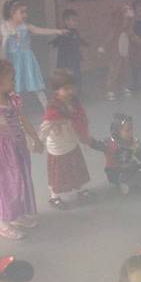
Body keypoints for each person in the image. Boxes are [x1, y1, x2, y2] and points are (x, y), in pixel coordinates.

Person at [0, 60, 43, 241]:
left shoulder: (12, 99)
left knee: (19, 181)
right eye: (11, 78)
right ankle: (4, 224)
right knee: (4, 186)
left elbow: (23, 120)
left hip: (17, 147)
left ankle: (17, 215)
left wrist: (35, 138)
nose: (14, 81)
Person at [39, 69, 93, 210]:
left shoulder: (74, 102)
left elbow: (80, 117)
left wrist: (84, 135)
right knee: (58, 172)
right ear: (56, 90)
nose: (70, 91)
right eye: (66, 89)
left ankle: (80, 188)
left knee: (75, 166)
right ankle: (54, 196)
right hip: (58, 145)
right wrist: (38, 141)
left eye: (71, 88)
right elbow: (46, 126)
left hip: (71, 140)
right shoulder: (53, 108)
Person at [0, 0, 69, 110]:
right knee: (15, 87)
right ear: (12, 12)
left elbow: (39, 30)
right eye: (22, 12)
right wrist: (3, 56)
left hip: (27, 59)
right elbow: (3, 44)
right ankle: (15, 112)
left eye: (25, 12)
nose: (25, 15)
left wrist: (57, 31)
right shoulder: (5, 26)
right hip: (13, 60)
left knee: (35, 85)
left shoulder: (25, 26)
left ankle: (48, 109)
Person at [90, 113, 141, 195]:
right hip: (115, 171)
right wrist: (88, 140)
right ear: (117, 132)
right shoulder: (109, 143)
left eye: (132, 129)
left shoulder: (133, 142)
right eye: (127, 130)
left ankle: (132, 182)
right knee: (122, 175)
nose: (131, 132)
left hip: (130, 168)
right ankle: (125, 183)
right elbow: (97, 145)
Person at [98, 4, 141, 101]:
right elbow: (110, 38)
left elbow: (133, 36)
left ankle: (123, 87)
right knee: (114, 71)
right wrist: (103, 47)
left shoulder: (128, 27)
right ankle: (110, 90)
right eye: (127, 10)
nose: (130, 12)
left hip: (125, 51)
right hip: (116, 52)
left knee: (124, 70)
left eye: (130, 10)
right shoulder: (116, 27)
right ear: (122, 14)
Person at [50, 9, 88, 90]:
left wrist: (84, 44)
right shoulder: (63, 32)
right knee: (67, 77)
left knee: (77, 75)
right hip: (66, 60)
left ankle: (78, 91)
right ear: (66, 21)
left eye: (77, 20)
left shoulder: (75, 31)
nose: (76, 22)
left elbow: (78, 40)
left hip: (74, 59)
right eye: (74, 20)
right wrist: (54, 43)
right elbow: (59, 41)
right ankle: (67, 92)